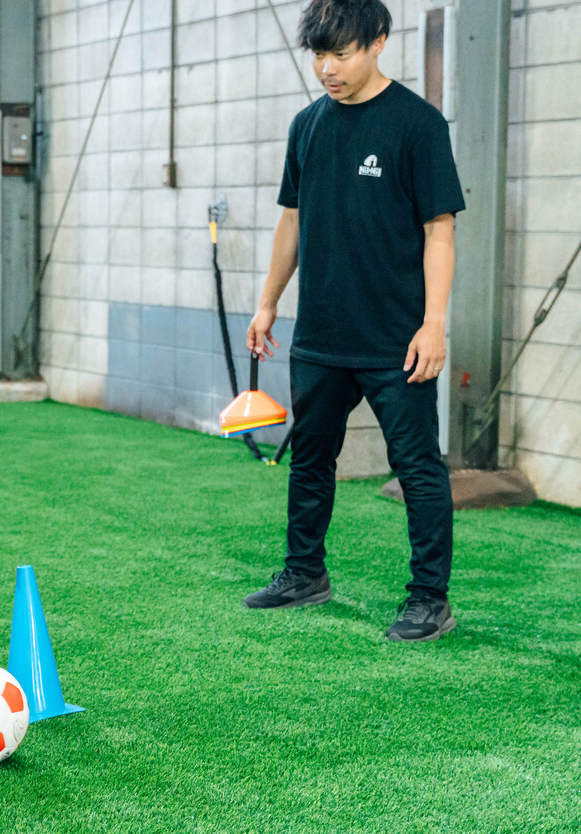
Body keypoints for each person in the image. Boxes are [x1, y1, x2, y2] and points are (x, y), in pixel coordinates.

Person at [243, 0, 464, 642]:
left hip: (397, 340)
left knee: (417, 467)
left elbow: (439, 230)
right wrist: (267, 302)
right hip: (320, 336)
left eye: (340, 53)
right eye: (319, 54)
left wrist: (434, 323)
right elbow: (292, 219)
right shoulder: (307, 125)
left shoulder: (417, 125)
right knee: (311, 457)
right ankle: (303, 573)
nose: (327, 68)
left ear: (378, 43)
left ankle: (430, 599)